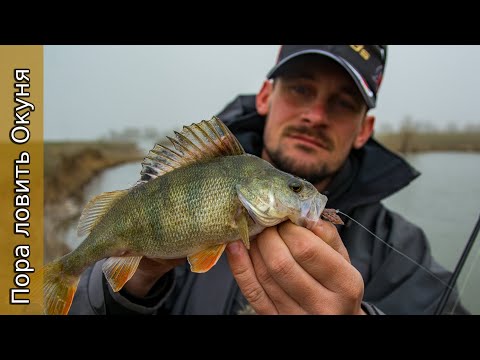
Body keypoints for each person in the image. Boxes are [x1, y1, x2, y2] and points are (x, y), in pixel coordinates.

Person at [69, 45, 468, 315]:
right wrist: (131, 286)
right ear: (265, 96)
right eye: (300, 88)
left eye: (344, 103)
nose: (315, 115)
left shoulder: (403, 248)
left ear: (365, 130)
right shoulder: (205, 173)